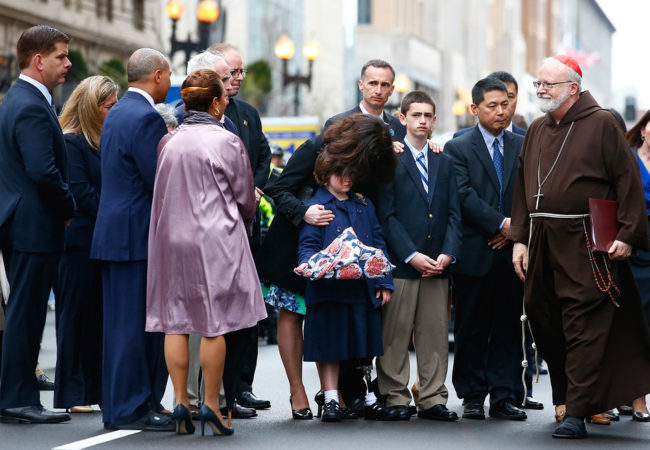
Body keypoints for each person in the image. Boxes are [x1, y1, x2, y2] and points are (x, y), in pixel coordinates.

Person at [510, 55, 650, 439]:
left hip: (586, 243)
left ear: (573, 87)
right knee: (544, 316)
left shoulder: (602, 123)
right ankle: (568, 396)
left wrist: (626, 233)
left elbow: (628, 183)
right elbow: (523, 187)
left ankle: (577, 411)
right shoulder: (537, 128)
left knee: (584, 324)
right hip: (541, 240)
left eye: (548, 84)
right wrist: (519, 239)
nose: (540, 90)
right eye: (538, 84)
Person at [146, 68, 266, 436]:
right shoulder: (226, 140)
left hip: (171, 237)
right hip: (216, 238)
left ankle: (181, 400)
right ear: (215, 102)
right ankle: (211, 405)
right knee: (214, 324)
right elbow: (245, 198)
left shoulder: (169, 141)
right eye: (224, 98)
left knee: (174, 321)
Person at [90, 48, 173, 431]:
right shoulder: (145, 118)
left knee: (120, 327)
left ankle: (121, 405)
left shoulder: (120, 111)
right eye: (169, 76)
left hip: (116, 233)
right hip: (133, 236)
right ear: (157, 75)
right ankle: (133, 408)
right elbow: (158, 179)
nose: (170, 83)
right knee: (133, 327)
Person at [297, 114, 396, 422]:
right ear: (326, 173)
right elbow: (307, 248)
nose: (347, 179)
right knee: (328, 346)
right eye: (340, 173)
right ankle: (329, 399)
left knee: (362, 346)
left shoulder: (364, 204)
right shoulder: (319, 207)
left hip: (360, 288)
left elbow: (378, 244)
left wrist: (385, 282)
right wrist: (310, 265)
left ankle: (366, 396)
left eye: (351, 173)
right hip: (328, 290)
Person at [0, 25, 75, 424]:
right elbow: (43, 172)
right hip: (32, 225)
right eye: (62, 56)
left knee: (24, 315)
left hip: (25, 223)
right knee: (26, 316)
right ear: (39, 60)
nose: (68, 64)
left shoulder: (23, 98)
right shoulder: (29, 104)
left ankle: (14, 396)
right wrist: (68, 206)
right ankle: (17, 399)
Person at [445, 78, 528, 422]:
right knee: (471, 326)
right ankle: (473, 395)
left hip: (513, 253)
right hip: (475, 249)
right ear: (475, 108)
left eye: (505, 103)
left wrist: (514, 232)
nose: (501, 111)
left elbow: (530, 192)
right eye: (492, 106)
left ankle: (506, 394)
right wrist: (500, 225)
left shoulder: (524, 143)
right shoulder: (458, 147)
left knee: (509, 325)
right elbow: (463, 196)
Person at [375, 91, 461, 422]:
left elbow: (454, 214)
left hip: (438, 263)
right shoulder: (390, 161)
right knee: (394, 334)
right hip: (402, 263)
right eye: (416, 115)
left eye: (428, 115)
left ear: (435, 120)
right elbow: (387, 214)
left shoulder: (444, 161)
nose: (422, 121)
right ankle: (395, 395)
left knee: (435, 334)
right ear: (403, 119)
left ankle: (432, 398)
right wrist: (410, 254)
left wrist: (448, 254)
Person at [209, 42, 272, 412]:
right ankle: (221, 389)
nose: (237, 79)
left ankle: (242, 385)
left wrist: (255, 185)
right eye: (231, 73)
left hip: (247, 220)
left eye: (240, 72)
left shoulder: (247, 113)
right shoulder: (201, 113)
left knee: (249, 306)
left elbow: (262, 156)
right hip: (219, 223)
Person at [54, 75, 119, 414]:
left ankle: (95, 388)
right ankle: (73, 393)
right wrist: (116, 215)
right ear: (92, 109)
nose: (114, 112)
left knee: (97, 320)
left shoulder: (101, 142)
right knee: (75, 319)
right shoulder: (71, 142)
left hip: (100, 240)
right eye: (109, 107)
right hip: (78, 243)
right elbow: (80, 192)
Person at [626, 110, 650, 423]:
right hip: (634, 252)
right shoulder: (628, 160)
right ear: (643, 130)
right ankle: (636, 398)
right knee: (636, 327)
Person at [324, 59, 405, 143]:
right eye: (373, 83)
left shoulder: (400, 127)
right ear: (361, 85)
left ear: (391, 90)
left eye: (385, 85)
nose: (378, 91)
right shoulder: (337, 124)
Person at [454, 71, 526, 138]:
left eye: (509, 96)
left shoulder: (528, 139)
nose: (501, 109)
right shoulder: (461, 139)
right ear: (475, 109)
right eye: (493, 104)